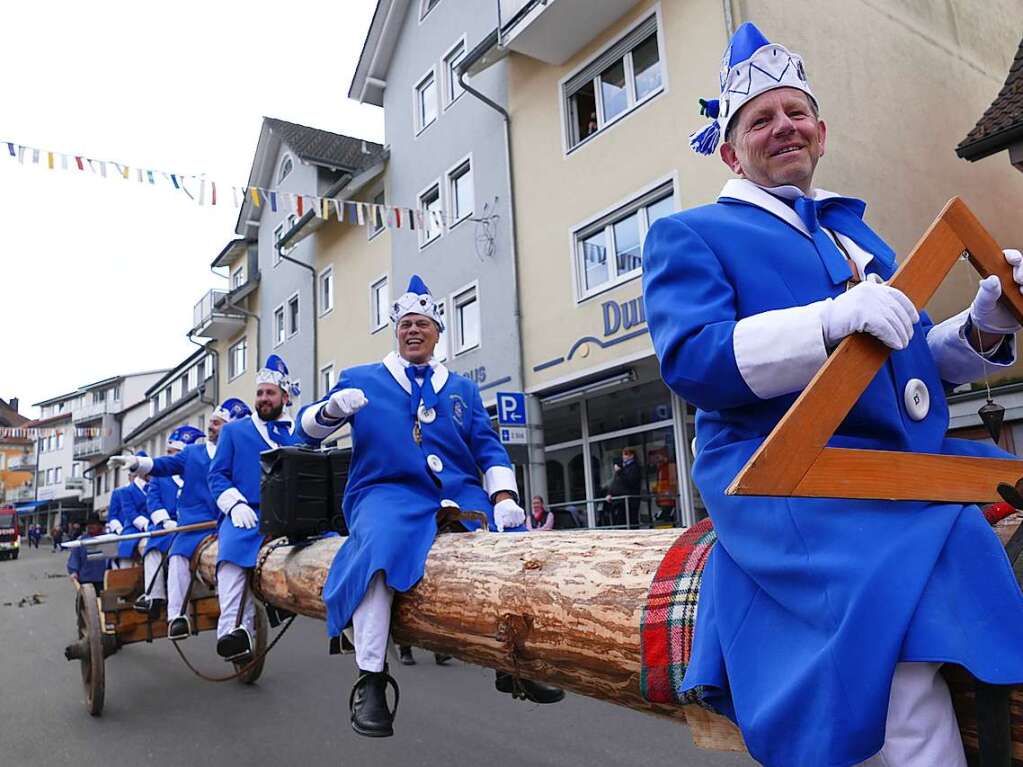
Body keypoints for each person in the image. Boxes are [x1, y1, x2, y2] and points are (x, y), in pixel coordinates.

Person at [642, 22, 1023, 767]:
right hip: (783, 476)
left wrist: (981, 327)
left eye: (795, 113)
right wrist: (826, 320)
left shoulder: (861, 239)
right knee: (899, 669)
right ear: (728, 150)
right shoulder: (690, 234)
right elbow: (693, 360)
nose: (782, 127)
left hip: (898, 475)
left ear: (819, 130)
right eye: (759, 119)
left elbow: (901, 373)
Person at [297, 274, 562, 739]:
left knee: (510, 553)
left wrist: (504, 497)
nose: (413, 331)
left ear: (439, 332)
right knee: (378, 549)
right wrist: (332, 409)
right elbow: (307, 432)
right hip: (384, 491)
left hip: (458, 493)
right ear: (395, 331)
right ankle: (371, 678)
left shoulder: (460, 388)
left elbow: (488, 447)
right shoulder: (360, 379)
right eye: (405, 325)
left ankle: (514, 664)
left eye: (422, 324)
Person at [208, 356, 310, 662]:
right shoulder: (234, 432)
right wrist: (234, 503)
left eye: (270, 393)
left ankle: (345, 625)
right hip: (247, 515)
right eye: (260, 393)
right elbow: (217, 475)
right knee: (232, 561)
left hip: (293, 517)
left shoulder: (300, 432)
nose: (263, 399)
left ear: (285, 397)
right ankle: (233, 632)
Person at [131, 428, 194, 617]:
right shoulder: (160, 476)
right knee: (153, 550)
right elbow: (153, 501)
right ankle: (154, 596)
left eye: (173, 454)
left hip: (191, 523)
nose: (170, 458)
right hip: (165, 526)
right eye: (169, 453)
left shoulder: (196, 472)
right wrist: (165, 521)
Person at [105, 452, 151, 569]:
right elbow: (113, 516)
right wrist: (120, 530)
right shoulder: (121, 491)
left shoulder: (155, 487)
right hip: (131, 528)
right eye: (132, 475)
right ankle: (123, 569)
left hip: (152, 526)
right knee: (125, 547)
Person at [66, 513, 108, 593]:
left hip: (104, 579)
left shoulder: (107, 539)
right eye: (89, 524)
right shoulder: (81, 541)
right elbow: (74, 557)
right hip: (86, 580)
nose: (91, 526)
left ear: (99, 525)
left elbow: (112, 558)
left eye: (94, 524)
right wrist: (73, 572)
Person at [605, 448, 641, 527]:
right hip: (620, 501)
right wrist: (609, 493)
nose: (623, 457)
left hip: (629, 502)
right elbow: (615, 482)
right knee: (619, 523)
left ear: (632, 456)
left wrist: (620, 472)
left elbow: (630, 482)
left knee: (629, 523)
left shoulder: (635, 467)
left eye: (625, 454)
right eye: (623, 454)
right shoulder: (623, 468)